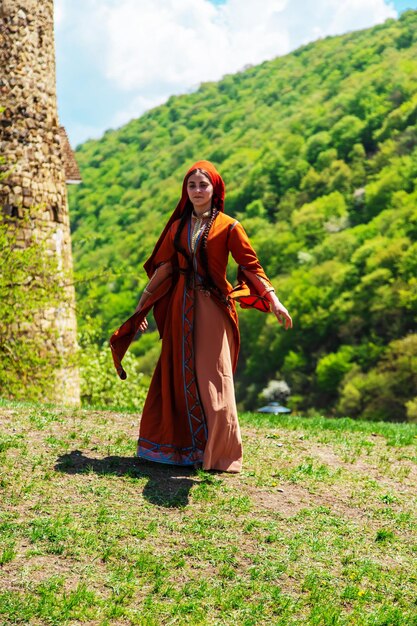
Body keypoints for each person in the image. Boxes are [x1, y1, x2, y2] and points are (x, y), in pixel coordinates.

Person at [110, 160, 292, 473]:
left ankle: (220, 454)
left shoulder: (230, 226)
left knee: (215, 376)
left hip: (213, 308)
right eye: (191, 185)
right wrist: (142, 307)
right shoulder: (178, 227)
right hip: (181, 307)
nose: (197, 191)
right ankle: (181, 450)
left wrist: (274, 301)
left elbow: (250, 266)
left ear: (215, 189)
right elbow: (165, 268)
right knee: (178, 372)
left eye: (202, 185)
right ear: (186, 190)